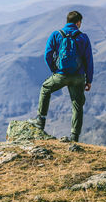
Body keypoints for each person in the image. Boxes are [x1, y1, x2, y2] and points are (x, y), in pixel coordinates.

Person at [29, 11, 94, 142]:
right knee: (77, 105)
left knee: (46, 88)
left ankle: (40, 120)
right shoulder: (83, 37)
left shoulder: (56, 35)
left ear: (67, 21)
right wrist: (89, 80)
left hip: (61, 74)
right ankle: (74, 137)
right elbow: (89, 60)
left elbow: (47, 54)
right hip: (78, 77)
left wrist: (55, 70)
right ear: (78, 22)